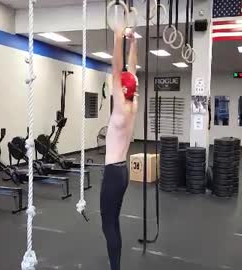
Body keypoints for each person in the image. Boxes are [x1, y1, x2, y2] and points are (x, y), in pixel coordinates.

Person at [100, 27, 138, 270]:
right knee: (114, 221)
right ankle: (116, 265)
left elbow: (117, 69)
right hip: (122, 170)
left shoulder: (121, 108)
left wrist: (117, 38)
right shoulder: (133, 104)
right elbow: (130, 72)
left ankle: (115, 267)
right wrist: (133, 43)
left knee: (108, 224)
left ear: (120, 90)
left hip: (113, 173)